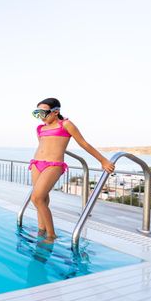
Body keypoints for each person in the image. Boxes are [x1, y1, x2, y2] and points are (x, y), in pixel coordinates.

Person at [29, 97, 115, 243]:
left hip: (54, 165)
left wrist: (103, 160)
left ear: (55, 112)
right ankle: (41, 229)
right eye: (37, 113)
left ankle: (51, 235)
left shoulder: (66, 124)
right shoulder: (40, 128)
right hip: (37, 163)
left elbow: (84, 144)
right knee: (42, 199)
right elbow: (44, 145)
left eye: (43, 113)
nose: (40, 117)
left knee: (36, 198)